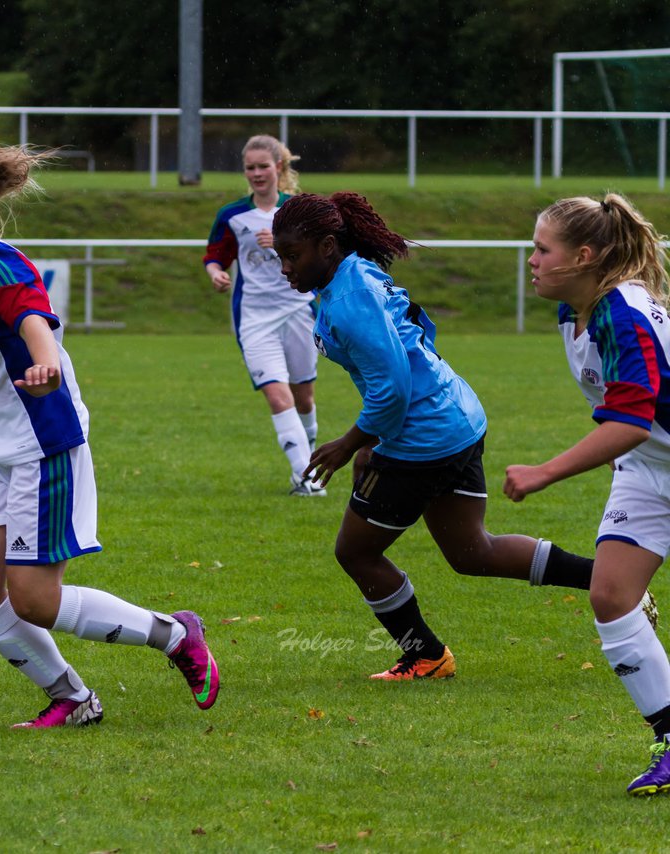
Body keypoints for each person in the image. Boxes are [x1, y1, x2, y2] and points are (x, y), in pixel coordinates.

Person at [0, 142, 219, 728]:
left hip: (40, 440)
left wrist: (44, 361)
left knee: (34, 599)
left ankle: (176, 634)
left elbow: (32, 313)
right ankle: (72, 698)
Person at [270, 191, 639, 682]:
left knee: (355, 552)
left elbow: (393, 389)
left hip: (422, 437)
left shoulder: (351, 296)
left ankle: (424, 654)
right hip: (456, 417)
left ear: (329, 246)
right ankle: (608, 579)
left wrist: (351, 444)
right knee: (472, 552)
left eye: (292, 256)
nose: (285, 268)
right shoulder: (353, 274)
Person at [504, 193, 670, 796]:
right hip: (649, 468)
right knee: (611, 595)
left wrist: (545, 471)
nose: (531, 260)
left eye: (541, 250)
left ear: (583, 255)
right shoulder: (576, 308)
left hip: (649, 453)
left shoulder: (622, 312)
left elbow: (629, 417)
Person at [203, 135, 323, 496]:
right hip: (254, 317)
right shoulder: (233, 215)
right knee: (276, 395)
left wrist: (285, 243)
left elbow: (321, 256)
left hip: (299, 310)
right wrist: (216, 273)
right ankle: (307, 478)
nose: (257, 173)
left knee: (303, 397)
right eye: (250, 168)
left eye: (263, 166)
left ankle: (310, 459)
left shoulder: (299, 210)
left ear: (279, 168)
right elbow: (214, 256)